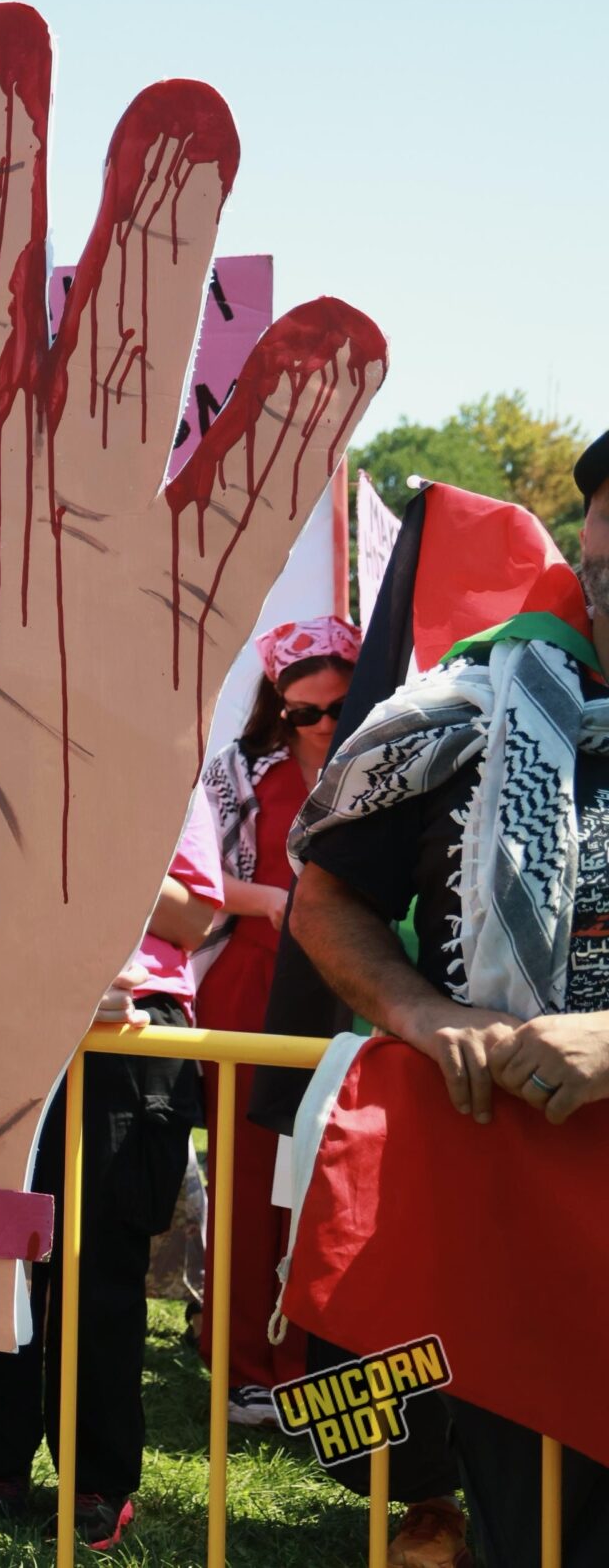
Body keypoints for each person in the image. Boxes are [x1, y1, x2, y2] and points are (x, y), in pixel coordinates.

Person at [286, 441, 609, 1567]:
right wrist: (422, 1014)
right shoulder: (462, 709)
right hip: (511, 1234)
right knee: (538, 1529)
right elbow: (325, 899)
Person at [0, 793, 220, 1550]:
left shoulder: (173, 758)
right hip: (4, 1016)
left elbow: (194, 918)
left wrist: (73, 838)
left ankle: (98, 1482)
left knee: (100, 1265)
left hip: (128, 1028)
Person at [192, 616, 356, 1422]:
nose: (322, 725)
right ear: (276, 706)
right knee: (248, 1182)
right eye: (304, 712)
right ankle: (242, 1364)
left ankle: (309, 1364)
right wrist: (272, 902)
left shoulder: (385, 760)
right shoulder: (237, 769)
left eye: (337, 708)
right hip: (252, 988)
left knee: (326, 1179)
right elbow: (197, 877)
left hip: (353, 992)